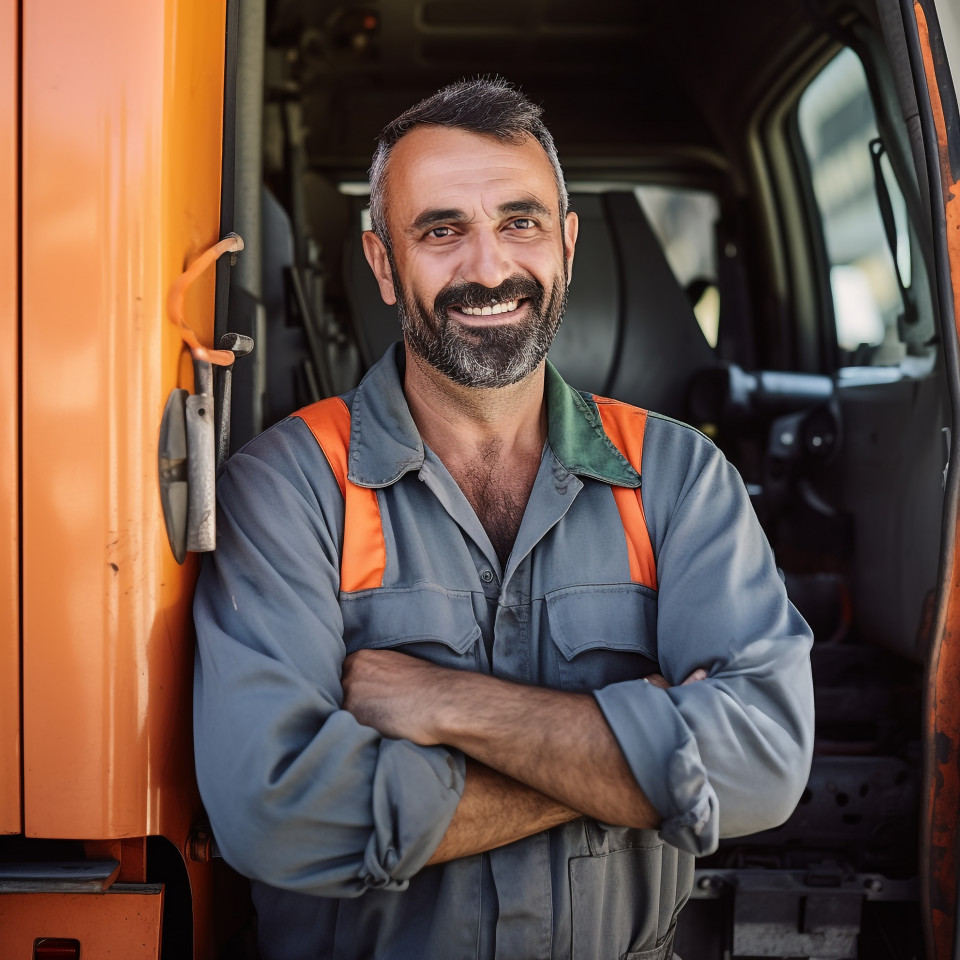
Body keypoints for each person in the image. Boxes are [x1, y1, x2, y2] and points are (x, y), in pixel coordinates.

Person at [193, 78, 814, 960]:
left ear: (566, 243)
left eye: (520, 222)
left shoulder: (677, 478)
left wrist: (445, 702)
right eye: (441, 230)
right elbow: (279, 814)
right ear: (381, 263)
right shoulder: (289, 488)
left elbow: (763, 760)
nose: (488, 268)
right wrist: (645, 751)